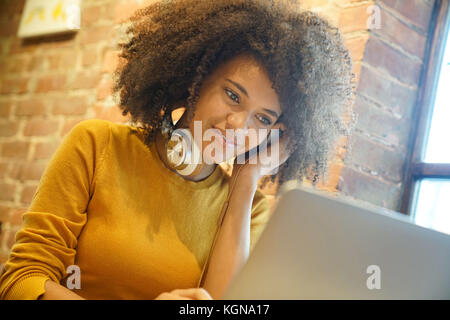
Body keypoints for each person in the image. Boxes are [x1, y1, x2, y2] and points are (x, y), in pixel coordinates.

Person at [0, 0, 355, 300]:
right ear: (193, 81)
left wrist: (246, 181)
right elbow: (21, 282)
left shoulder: (250, 210)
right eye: (232, 95)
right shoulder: (98, 146)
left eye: (262, 119)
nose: (238, 126)